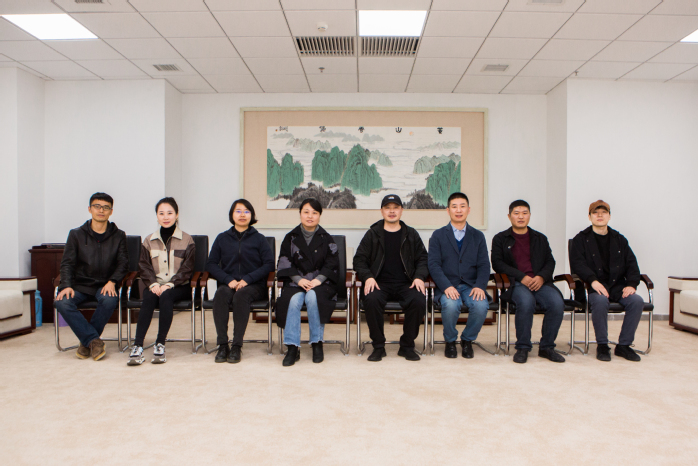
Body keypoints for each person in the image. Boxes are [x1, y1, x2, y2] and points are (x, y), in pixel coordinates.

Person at [354, 194, 428, 362]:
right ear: (382, 211)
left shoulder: (411, 234)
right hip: (379, 283)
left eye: (395, 208)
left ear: (401, 211)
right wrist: (368, 277)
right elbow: (359, 260)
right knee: (371, 299)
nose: (392, 211)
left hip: (406, 283)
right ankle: (378, 347)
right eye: (388, 208)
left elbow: (423, 259)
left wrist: (419, 277)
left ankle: (407, 346)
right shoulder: (372, 234)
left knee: (418, 300)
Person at [55, 192, 128, 361]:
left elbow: (123, 263)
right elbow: (67, 263)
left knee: (109, 300)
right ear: (90, 209)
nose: (101, 210)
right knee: (62, 302)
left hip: (105, 285)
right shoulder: (76, 234)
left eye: (106, 207)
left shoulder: (119, 235)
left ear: (111, 211)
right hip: (80, 285)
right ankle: (93, 341)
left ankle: (86, 342)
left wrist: (113, 281)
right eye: (97, 206)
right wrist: (66, 285)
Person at [491, 200, 565, 364]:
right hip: (516, 283)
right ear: (509, 216)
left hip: (540, 282)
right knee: (526, 302)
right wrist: (521, 276)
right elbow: (497, 263)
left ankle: (547, 347)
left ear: (530, 216)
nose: (521, 217)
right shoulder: (501, 238)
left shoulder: (540, 238)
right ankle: (523, 347)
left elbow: (550, 262)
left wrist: (541, 277)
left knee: (556, 303)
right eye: (516, 213)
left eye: (524, 213)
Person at [570, 200, 644, 362]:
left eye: (604, 212)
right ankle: (602, 345)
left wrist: (631, 284)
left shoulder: (619, 239)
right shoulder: (580, 239)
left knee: (636, 301)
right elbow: (578, 265)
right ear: (589, 217)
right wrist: (593, 281)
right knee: (600, 301)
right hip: (592, 287)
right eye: (595, 213)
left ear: (609, 216)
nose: (600, 216)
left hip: (617, 286)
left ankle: (624, 346)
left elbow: (632, 264)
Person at [127, 198, 196, 366]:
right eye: (161, 213)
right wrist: (153, 284)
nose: (166, 217)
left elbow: (187, 268)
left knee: (166, 296)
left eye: (170, 213)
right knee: (149, 297)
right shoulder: (148, 240)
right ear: (157, 216)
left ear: (177, 215)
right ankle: (138, 345)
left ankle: (160, 344)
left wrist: (169, 284)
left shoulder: (187, 240)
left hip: (179, 286)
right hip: (155, 285)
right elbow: (144, 266)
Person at [207, 199, 275, 364]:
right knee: (220, 294)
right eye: (238, 211)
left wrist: (247, 279)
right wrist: (228, 279)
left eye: (246, 211)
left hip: (254, 285)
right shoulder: (222, 238)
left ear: (252, 215)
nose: (242, 215)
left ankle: (236, 346)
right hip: (228, 284)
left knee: (241, 296)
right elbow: (210, 264)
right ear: (232, 215)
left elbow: (269, 264)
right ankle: (223, 345)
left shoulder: (259, 239)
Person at [276, 198, 339, 367]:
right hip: (296, 283)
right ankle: (292, 347)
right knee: (293, 300)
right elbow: (284, 262)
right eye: (306, 212)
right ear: (300, 214)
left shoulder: (327, 239)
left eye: (314, 213)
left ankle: (317, 343)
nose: (310, 216)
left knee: (313, 297)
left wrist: (318, 280)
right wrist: (299, 280)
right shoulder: (290, 238)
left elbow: (332, 264)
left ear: (319, 215)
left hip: (321, 284)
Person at [428, 192, 490, 359]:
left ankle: (467, 340)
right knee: (451, 305)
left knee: (481, 306)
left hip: (471, 285)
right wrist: (446, 286)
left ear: (468, 210)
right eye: (454, 207)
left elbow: (484, 265)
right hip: (447, 285)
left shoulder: (478, 236)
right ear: (448, 210)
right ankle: (450, 341)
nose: (458, 210)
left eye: (462, 206)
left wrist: (480, 286)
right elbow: (433, 265)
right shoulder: (438, 235)